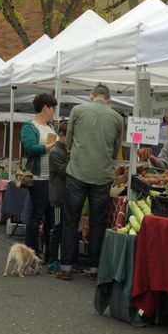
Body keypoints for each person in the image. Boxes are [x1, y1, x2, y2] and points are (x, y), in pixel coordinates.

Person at [56, 84, 124, 281]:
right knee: (98, 222)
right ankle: (95, 268)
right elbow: (115, 149)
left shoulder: (77, 111)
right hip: (102, 176)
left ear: (91, 96)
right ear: (108, 99)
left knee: (71, 220)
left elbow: (68, 141)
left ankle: (66, 267)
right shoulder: (117, 118)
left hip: (77, 172)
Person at [20, 93, 57, 256]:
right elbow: (30, 149)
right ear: (45, 107)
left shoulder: (51, 127)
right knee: (37, 215)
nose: (54, 111)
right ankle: (32, 250)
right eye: (53, 108)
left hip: (52, 178)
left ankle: (48, 250)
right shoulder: (29, 127)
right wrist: (50, 147)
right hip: (38, 178)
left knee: (50, 217)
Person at [47, 120, 70, 273]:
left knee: (64, 228)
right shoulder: (56, 151)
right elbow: (64, 172)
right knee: (57, 228)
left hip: (66, 195)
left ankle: (61, 258)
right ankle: (53, 259)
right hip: (58, 197)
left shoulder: (65, 150)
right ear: (62, 135)